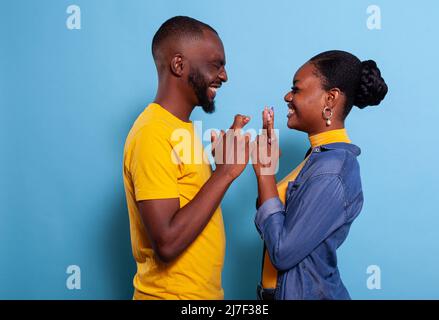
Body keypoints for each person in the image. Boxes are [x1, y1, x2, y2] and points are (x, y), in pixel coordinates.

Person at [123, 16, 250, 300]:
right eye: (216, 64)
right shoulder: (152, 133)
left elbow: (192, 205)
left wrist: (220, 166)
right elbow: (167, 243)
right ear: (179, 65)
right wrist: (225, 173)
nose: (225, 76)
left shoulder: (180, 129)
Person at [251, 50, 388, 300]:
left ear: (330, 98)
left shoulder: (332, 170)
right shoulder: (317, 157)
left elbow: (282, 252)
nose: (287, 96)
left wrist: (265, 173)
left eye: (297, 89)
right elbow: (276, 227)